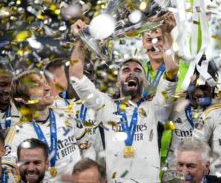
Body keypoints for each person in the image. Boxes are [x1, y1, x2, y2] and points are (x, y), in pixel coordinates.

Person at [69, 20, 178, 182]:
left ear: (145, 81)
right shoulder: (105, 106)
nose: (131, 73)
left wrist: (168, 34)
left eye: (137, 70)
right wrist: (81, 40)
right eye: (126, 70)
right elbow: (76, 77)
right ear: (118, 81)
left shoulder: (154, 107)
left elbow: (172, 70)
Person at [4, 70, 92, 182]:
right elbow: (7, 171)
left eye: (45, 82)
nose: (47, 88)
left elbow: (86, 145)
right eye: (37, 86)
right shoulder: (17, 134)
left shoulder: (67, 114)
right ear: (24, 99)